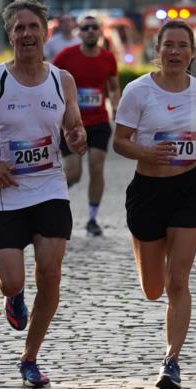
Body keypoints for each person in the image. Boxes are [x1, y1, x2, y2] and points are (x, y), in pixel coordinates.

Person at [0, 0, 86, 389]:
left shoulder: (61, 80)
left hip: (48, 185)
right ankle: (13, 298)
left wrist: (77, 136)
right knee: (12, 280)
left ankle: (29, 357)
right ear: (10, 35)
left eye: (34, 27)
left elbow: (72, 125)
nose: (27, 34)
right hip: (5, 191)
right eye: (19, 28)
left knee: (50, 273)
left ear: (46, 32)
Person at [113, 21, 196, 389]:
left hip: (188, 190)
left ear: (192, 53)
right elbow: (119, 141)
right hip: (147, 191)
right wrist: (146, 151)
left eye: (183, 46)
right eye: (169, 45)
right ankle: (147, 256)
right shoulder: (138, 91)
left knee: (178, 280)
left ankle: (171, 361)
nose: (175, 52)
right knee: (153, 288)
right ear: (158, 49)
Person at [53, 13, 120, 236]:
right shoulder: (65, 56)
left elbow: (113, 86)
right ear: (79, 33)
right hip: (71, 123)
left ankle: (92, 219)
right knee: (73, 173)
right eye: (86, 28)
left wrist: (117, 107)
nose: (90, 31)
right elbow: (50, 80)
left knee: (96, 166)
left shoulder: (108, 58)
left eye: (94, 27)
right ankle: (51, 197)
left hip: (99, 121)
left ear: (100, 31)